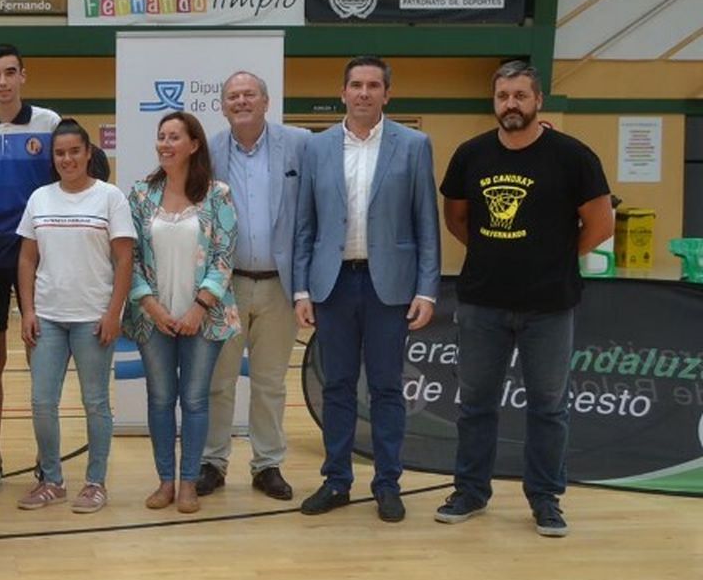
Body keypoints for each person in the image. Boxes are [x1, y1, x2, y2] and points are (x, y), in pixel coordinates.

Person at [434, 61, 613, 537]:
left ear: (538, 100)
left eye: (520, 95)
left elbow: (601, 225)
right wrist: (497, 252)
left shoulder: (573, 156)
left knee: (549, 406)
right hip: (482, 302)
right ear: (493, 102)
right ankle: (471, 490)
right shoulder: (471, 155)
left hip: (549, 306)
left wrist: (554, 257)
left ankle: (545, 498)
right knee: (475, 403)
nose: (511, 104)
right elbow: (457, 218)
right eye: (502, 96)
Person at [293, 56, 440, 523]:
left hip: (389, 287)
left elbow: (425, 224)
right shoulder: (315, 148)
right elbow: (305, 225)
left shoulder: (414, 145)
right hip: (332, 284)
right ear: (342, 93)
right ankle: (337, 480)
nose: (363, 93)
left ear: (387, 94)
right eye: (355, 85)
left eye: (373, 85)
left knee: (386, 388)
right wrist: (301, 289)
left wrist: (427, 289)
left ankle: (387, 484)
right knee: (335, 385)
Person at [14, 119, 136, 514]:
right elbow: (28, 258)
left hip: (93, 319)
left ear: (88, 153)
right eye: (60, 153)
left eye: (74, 151)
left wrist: (114, 312)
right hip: (47, 318)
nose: (67, 159)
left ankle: (95, 483)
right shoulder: (40, 198)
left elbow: (124, 258)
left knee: (96, 403)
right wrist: (27, 310)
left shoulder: (110, 198)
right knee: (41, 402)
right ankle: (52, 480)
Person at [200, 71, 311, 501]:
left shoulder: (300, 144)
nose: (241, 101)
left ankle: (268, 464)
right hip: (226, 287)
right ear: (224, 106)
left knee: (269, 382)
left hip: (280, 287)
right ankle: (213, 461)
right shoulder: (208, 150)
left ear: (266, 101)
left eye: (249, 95)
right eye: (233, 96)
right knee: (219, 382)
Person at [123, 112, 240, 514]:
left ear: (193, 144)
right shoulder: (140, 195)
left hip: (202, 318)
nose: (166, 144)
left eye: (175, 137)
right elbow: (130, 257)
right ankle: (165, 482)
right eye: (161, 137)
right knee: (159, 399)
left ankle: (189, 482)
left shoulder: (218, 194)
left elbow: (224, 256)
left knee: (194, 400)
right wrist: (151, 305)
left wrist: (199, 307)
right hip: (152, 317)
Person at [0, 44, 62, 488]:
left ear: (24, 75)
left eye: (9, 73)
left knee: (42, 355)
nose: (2, 81)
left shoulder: (49, 123)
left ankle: (47, 456)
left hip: (37, 254)